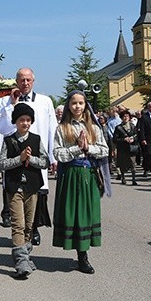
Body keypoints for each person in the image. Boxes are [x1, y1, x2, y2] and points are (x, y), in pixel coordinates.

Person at [0, 67, 57, 246]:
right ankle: (20, 236)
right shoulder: (5, 102)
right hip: (15, 155)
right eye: (22, 80)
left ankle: (33, 229)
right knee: (16, 193)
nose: (25, 83)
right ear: (16, 82)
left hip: (38, 153)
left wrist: (53, 157)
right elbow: (3, 128)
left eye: (28, 80)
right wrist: (12, 105)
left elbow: (52, 129)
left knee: (36, 193)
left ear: (33, 81)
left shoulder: (45, 101)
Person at [53, 90, 109, 274]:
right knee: (73, 214)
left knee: (86, 214)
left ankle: (83, 255)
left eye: (81, 103)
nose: (77, 106)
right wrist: (77, 149)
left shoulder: (93, 127)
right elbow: (57, 153)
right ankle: (79, 254)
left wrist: (88, 147)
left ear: (85, 105)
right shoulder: (62, 128)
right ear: (69, 105)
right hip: (71, 174)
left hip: (88, 175)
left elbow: (104, 150)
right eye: (74, 103)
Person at [0, 103, 49, 278]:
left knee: (29, 224)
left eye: (28, 120)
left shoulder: (36, 139)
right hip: (14, 188)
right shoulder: (8, 140)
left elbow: (45, 162)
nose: (25, 123)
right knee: (17, 224)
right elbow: (1, 164)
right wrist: (19, 159)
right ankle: (20, 261)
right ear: (15, 121)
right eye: (21, 120)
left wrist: (31, 159)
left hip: (32, 188)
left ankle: (26, 256)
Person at [112, 110, 139, 185]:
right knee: (122, 164)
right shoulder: (118, 128)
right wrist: (124, 139)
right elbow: (115, 139)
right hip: (122, 149)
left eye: (127, 116)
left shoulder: (133, 126)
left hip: (131, 148)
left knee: (133, 163)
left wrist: (133, 139)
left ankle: (134, 179)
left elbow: (137, 136)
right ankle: (123, 177)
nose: (125, 118)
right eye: (124, 116)